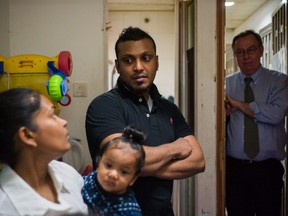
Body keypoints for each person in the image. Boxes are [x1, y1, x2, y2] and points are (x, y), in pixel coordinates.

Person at [85, 26, 205, 215]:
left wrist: (137, 165)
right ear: (117, 66)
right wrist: (175, 148)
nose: (138, 66)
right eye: (128, 60)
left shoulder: (169, 109)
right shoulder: (104, 105)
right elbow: (120, 160)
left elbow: (198, 161)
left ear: (156, 62)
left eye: (146, 58)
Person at [225, 29, 288, 216]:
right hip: (234, 170)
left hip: (267, 171)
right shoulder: (225, 84)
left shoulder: (279, 81)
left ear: (261, 51)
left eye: (251, 50)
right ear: (235, 55)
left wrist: (239, 104)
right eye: (240, 52)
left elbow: (276, 114)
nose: (246, 56)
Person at [0, 88, 88, 216]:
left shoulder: (67, 173)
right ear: (27, 136)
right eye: (52, 116)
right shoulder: (5, 208)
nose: (64, 122)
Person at [82, 125, 145, 215]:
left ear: (133, 179)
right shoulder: (91, 178)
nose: (113, 174)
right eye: (109, 165)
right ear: (99, 162)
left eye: (124, 172)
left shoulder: (128, 210)